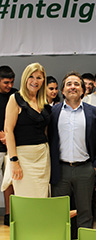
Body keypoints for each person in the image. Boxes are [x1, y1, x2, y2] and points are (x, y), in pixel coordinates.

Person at [48, 72, 96, 229]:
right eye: (68, 84)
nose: (72, 87)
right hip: (60, 170)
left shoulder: (94, 112)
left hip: (85, 170)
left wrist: (95, 168)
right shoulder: (52, 112)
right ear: (62, 90)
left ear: (83, 90)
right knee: (59, 212)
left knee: (85, 212)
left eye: (76, 84)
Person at [3, 62, 51, 197]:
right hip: (23, 158)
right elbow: (8, 131)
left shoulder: (43, 102)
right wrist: (14, 161)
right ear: (25, 78)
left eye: (39, 78)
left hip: (42, 157)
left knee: (42, 197)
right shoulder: (15, 99)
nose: (35, 81)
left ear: (43, 81)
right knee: (25, 198)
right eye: (31, 77)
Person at [0, 66, 16, 225]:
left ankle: (9, 214)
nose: (9, 86)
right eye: (6, 82)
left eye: (11, 82)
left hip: (10, 145)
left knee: (10, 182)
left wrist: (8, 135)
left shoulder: (16, 95)